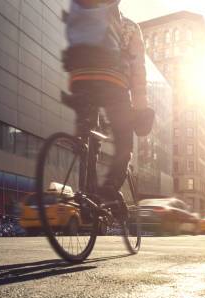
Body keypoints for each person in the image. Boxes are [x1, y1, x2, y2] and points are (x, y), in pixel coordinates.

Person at [63, 0, 154, 207]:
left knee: (88, 141)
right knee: (125, 143)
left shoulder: (84, 16)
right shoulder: (130, 27)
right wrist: (140, 107)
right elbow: (138, 69)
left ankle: (88, 197)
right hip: (114, 83)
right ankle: (109, 190)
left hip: (81, 81)